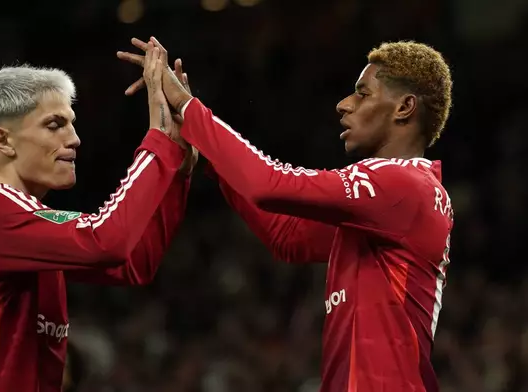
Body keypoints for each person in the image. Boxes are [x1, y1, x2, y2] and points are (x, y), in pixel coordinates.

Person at [119, 37, 454, 392]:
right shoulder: (395, 204)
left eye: (363, 93)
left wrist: (188, 108)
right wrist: (207, 153)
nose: (343, 105)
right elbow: (288, 237)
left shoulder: (402, 185)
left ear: (404, 107)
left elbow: (270, 184)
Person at [0, 48, 196, 391]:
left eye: (71, 125)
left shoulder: (10, 220)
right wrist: (160, 139)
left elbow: (135, 262)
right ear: (4, 140)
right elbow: (107, 241)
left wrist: (178, 171)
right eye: (54, 125)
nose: (74, 139)